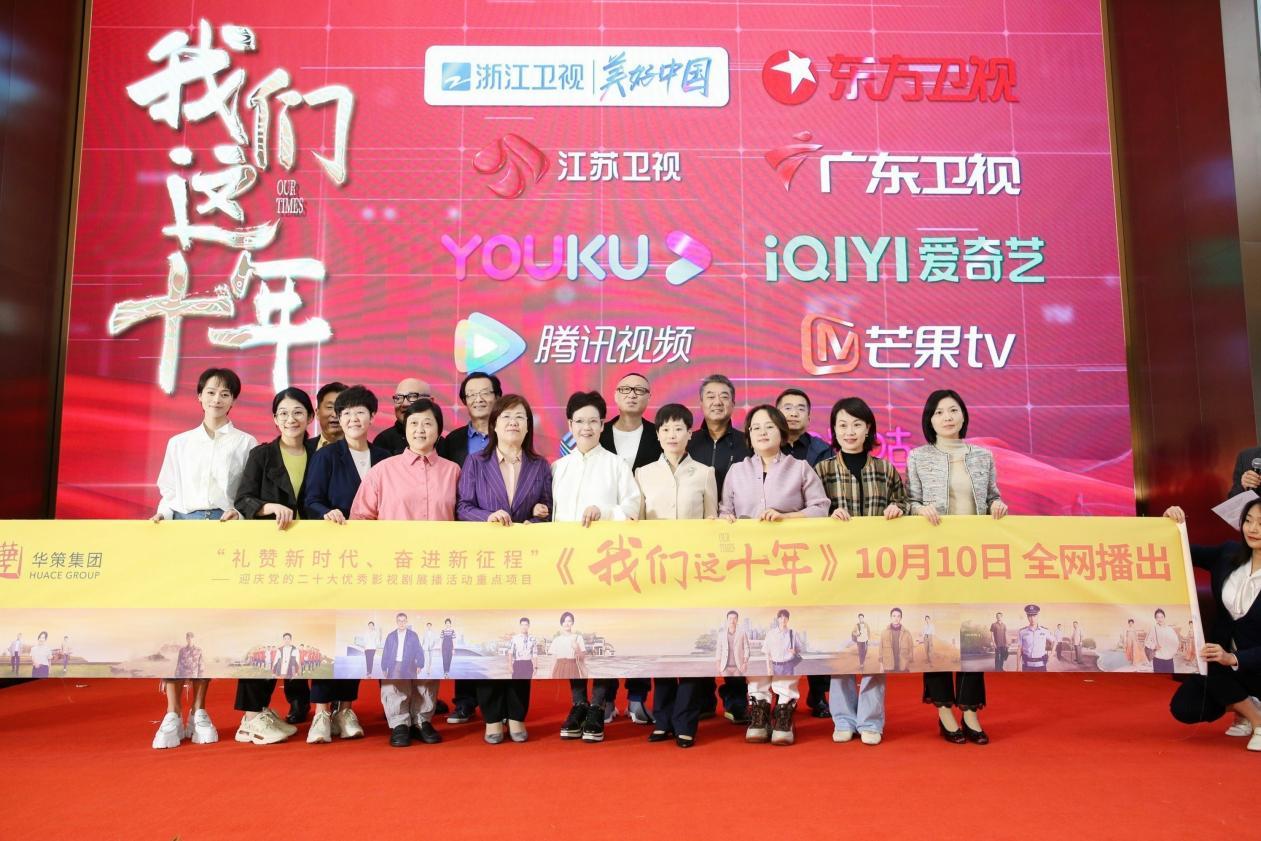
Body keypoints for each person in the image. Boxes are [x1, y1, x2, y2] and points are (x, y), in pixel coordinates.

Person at [150, 367, 255, 750]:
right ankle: (171, 713)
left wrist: (238, 514)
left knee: (207, 626)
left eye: (225, 393)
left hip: (223, 533)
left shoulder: (245, 443)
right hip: (183, 531)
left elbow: (245, 492)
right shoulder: (179, 443)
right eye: (211, 392)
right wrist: (163, 514)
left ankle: (200, 710)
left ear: (234, 400)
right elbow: (168, 489)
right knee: (177, 623)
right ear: (199, 396)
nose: (217, 399)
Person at [720, 404, 828, 746]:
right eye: (755, 428)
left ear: (782, 432)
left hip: (789, 567)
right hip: (748, 569)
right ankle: (759, 705)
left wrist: (785, 517)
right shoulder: (736, 471)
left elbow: (821, 508)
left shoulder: (800, 468)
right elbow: (724, 512)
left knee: (784, 635)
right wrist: (725, 521)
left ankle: (785, 706)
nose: (762, 432)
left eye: (769, 426)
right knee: (756, 637)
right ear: (748, 436)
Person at [352, 397, 456, 746]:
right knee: (396, 645)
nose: (420, 430)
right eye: (413, 424)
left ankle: (423, 716)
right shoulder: (383, 471)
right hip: (393, 574)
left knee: (426, 643)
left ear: (439, 430)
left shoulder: (453, 472)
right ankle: (398, 719)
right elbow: (361, 518)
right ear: (404, 429)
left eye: (427, 423)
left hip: (438, 574)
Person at [907, 389, 1006, 745]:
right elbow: (910, 501)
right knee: (938, 633)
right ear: (929, 420)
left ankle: (970, 709)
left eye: (953, 410)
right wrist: (919, 509)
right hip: (935, 556)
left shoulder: (983, 456)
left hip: (973, 557)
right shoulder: (918, 456)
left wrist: (997, 505)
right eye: (939, 412)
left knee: (972, 633)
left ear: (963, 415)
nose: (947, 417)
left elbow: (993, 495)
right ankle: (944, 709)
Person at [456, 393, 552, 742]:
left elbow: (549, 511)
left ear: (528, 426)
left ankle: (516, 714)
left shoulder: (540, 466)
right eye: (507, 417)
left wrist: (535, 520)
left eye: (520, 417)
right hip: (485, 567)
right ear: (494, 424)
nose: (513, 422)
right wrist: (488, 517)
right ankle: (492, 716)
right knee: (488, 641)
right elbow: (463, 507)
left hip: (523, 568)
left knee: (519, 641)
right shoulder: (476, 462)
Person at [815, 396, 908, 740]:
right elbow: (810, 512)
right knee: (843, 645)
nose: (849, 431)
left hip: (877, 573)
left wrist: (898, 510)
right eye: (842, 425)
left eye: (856, 424)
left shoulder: (886, 469)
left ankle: (870, 720)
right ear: (834, 430)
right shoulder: (822, 471)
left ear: (868, 429)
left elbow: (904, 502)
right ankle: (842, 718)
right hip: (837, 573)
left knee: (876, 649)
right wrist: (827, 514)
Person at [552, 390, 641, 743]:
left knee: (602, 635)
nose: (586, 427)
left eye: (593, 421)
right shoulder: (559, 468)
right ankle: (578, 703)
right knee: (571, 632)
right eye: (579, 421)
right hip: (569, 566)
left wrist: (603, 513)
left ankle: (599, 704)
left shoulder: (617, 465)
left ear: (603, 425)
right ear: (570, 425)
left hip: (606, 566)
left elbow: (632, 510)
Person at [302, 384, 388, 744]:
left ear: (372, 417)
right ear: (339, 417)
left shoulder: (384, 457)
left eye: (360, 412)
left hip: (372, 559)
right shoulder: (327, 455)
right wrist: (327, 512)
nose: (353, 418)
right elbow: (311, 499)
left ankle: (346, 708)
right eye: (346, 412)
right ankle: (322, 712)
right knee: (330, 631)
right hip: (336, 556)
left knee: (357, 631)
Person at [234, 386, 318, 729]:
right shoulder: (262, 455)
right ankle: (253, 712)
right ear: (274, 418)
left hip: (311, 556)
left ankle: (300, 700)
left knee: (302, 632)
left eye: (298, 412)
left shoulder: (319, 452)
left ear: (310, 417)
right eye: (283, 413)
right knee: (264, 632)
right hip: (272, 558)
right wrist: (268, 507)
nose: (290, 419)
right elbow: (243, 500)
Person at [635, 403, 717, 748]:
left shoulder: (705, 473)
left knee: (694, 648)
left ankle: (686, 721)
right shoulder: (643, 473)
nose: (672, 435)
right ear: (657, 435)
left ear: (689, 434)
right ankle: (663, 719)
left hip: (695, 575)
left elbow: (712, 522)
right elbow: (637, 524)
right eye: (666, 429)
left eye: (679, 428)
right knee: (663, 646)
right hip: (657, 574)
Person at [1164, 504, 1261, 751]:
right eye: (1248, 520)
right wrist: (1170, 525)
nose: (1253, 529)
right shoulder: (1228, 553)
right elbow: (1182, 551)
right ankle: (1249, 708)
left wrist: (1234, 658)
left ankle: (1257, 721)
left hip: (1256, 662)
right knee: (1185, 707)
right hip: (1223, 663)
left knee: (1219, 663)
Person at [686, 374, 752, 725]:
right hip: (694, 546)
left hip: (737, 543)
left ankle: (736, 695)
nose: (717, 402)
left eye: (724, 396)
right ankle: (701, 696)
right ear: (701, 402)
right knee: (699, 618)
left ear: (733, 403)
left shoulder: (746, 442)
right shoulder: (688, 440)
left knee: (734, 616)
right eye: (710, 395)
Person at [376, 613, 442, 747]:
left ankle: (421, 719)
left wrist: (420, 664)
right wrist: (384, 666)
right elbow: (386, 651)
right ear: (396, 622)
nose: (401, 623)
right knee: (394, 684)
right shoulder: (391, 636)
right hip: (395, 664)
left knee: (423, 682)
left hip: (410, 663)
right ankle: (399, 721)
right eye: (399, 621)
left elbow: (418, 649)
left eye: (403, 621)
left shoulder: (413, 635)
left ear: (406, 622)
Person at [438, 372, 500, 467]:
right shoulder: (452, 440)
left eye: (485, 393)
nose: (478, 399)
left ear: (497, 397)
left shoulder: (510, 434)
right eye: (471, 394)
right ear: (464, 401)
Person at [372, 377, 433, 456]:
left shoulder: (441, 443)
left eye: (412, 396)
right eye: (399, 398)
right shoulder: (383, 442)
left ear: (430, 401)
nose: (404, 404)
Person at [776, 388, 832, 466]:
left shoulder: (824, 450)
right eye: (788, 408)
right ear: (776, 416)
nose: (794, 414)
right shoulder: (763, 447)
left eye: (801, 409)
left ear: (808, 419)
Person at [1017, 605, 1055, 673]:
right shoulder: (1022, 632)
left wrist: (1051, 654)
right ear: (1027, 617)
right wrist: (1018, 666)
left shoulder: (1044, 631)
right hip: (1027, 666)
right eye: (1030, 616)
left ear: (1037, 616)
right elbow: (1019, 649)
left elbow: (1054, 641)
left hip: (1041, 666)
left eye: (1034, 616)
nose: (1032, 618)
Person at [314, 381, 348, 449]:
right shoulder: (302, 447)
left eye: (341, 408)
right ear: (317, 413)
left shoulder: (365, 450)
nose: (335, 414)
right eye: (329, 407)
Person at [1147, 609, 1181, 674]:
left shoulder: (1170, 629)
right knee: (1159, 678)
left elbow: (1176, 642)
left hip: (1169, 659)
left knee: (1169, 677)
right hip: (1158, 658)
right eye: (1157, 617)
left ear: (1164, 617)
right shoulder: (1153, 629)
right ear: (1155, 618)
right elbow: (1147, 642)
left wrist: (1172, 653)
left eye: (1161, 617)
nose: (1160, 619)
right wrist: (1154, 646)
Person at [880, 608, 914, 673]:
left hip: (903, 667)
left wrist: (907, 664)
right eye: (894, 616)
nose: (896, 618)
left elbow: (911, 649)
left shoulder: (907, 633)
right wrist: (881, 665)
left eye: (898, 616)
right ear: (890, 617)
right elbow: (880, 650)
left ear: (901, 618)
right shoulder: (884, 633)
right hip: (888, 667)